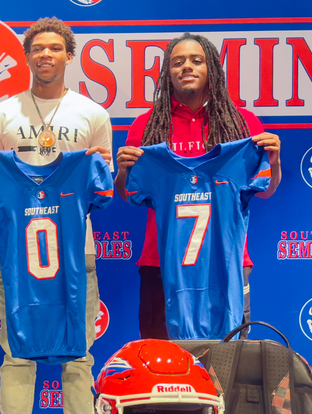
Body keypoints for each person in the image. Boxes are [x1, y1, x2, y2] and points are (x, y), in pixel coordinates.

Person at [0, 17, 112, 414]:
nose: (46, 55)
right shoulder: (2, 114)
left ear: (69, 55)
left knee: (78, 355)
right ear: (27, 56)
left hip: (76, 252)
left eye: (55, 48)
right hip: (16, 253)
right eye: (38, 49)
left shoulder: (92, 114)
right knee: (16, 351)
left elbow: (103, 188)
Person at [113, 33, 281, 340]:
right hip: (160, 262)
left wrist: (274, 160)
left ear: (212, 68)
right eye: (177, 62)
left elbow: (266, 190)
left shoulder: (241, 123)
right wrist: (122, 172)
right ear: (167, 72)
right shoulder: (146, 125)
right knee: (162, 364)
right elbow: (130, 195)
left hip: (227, 262)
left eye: (196, 60)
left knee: (226, 365)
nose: (186, 67)